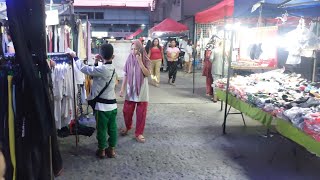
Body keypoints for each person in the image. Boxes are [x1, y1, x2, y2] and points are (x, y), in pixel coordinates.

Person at [72, 43, 118, 158]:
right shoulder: (112, 68)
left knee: (101, 129)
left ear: (101, 56)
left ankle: (102, 150)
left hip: (102, 107)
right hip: (113, 105)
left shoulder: (102, 68)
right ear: (113, 56)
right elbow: (99, 73)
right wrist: (99, 61)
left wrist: (75, 57)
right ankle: (111, 150)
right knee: (112, 128)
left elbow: (85, 69)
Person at [119, 40, 151, 143]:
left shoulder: (145, 58)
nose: (133, 51)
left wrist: (140, 62)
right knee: (126, 111)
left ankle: (139, 133)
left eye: (135, 49)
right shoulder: (129, 58)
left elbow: (147, 74)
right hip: (130, 89)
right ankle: (128, 126)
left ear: (140, 49)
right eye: (132, 49)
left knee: (141, 113)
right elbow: (125, 74)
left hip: (142, 89)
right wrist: (122, 88)